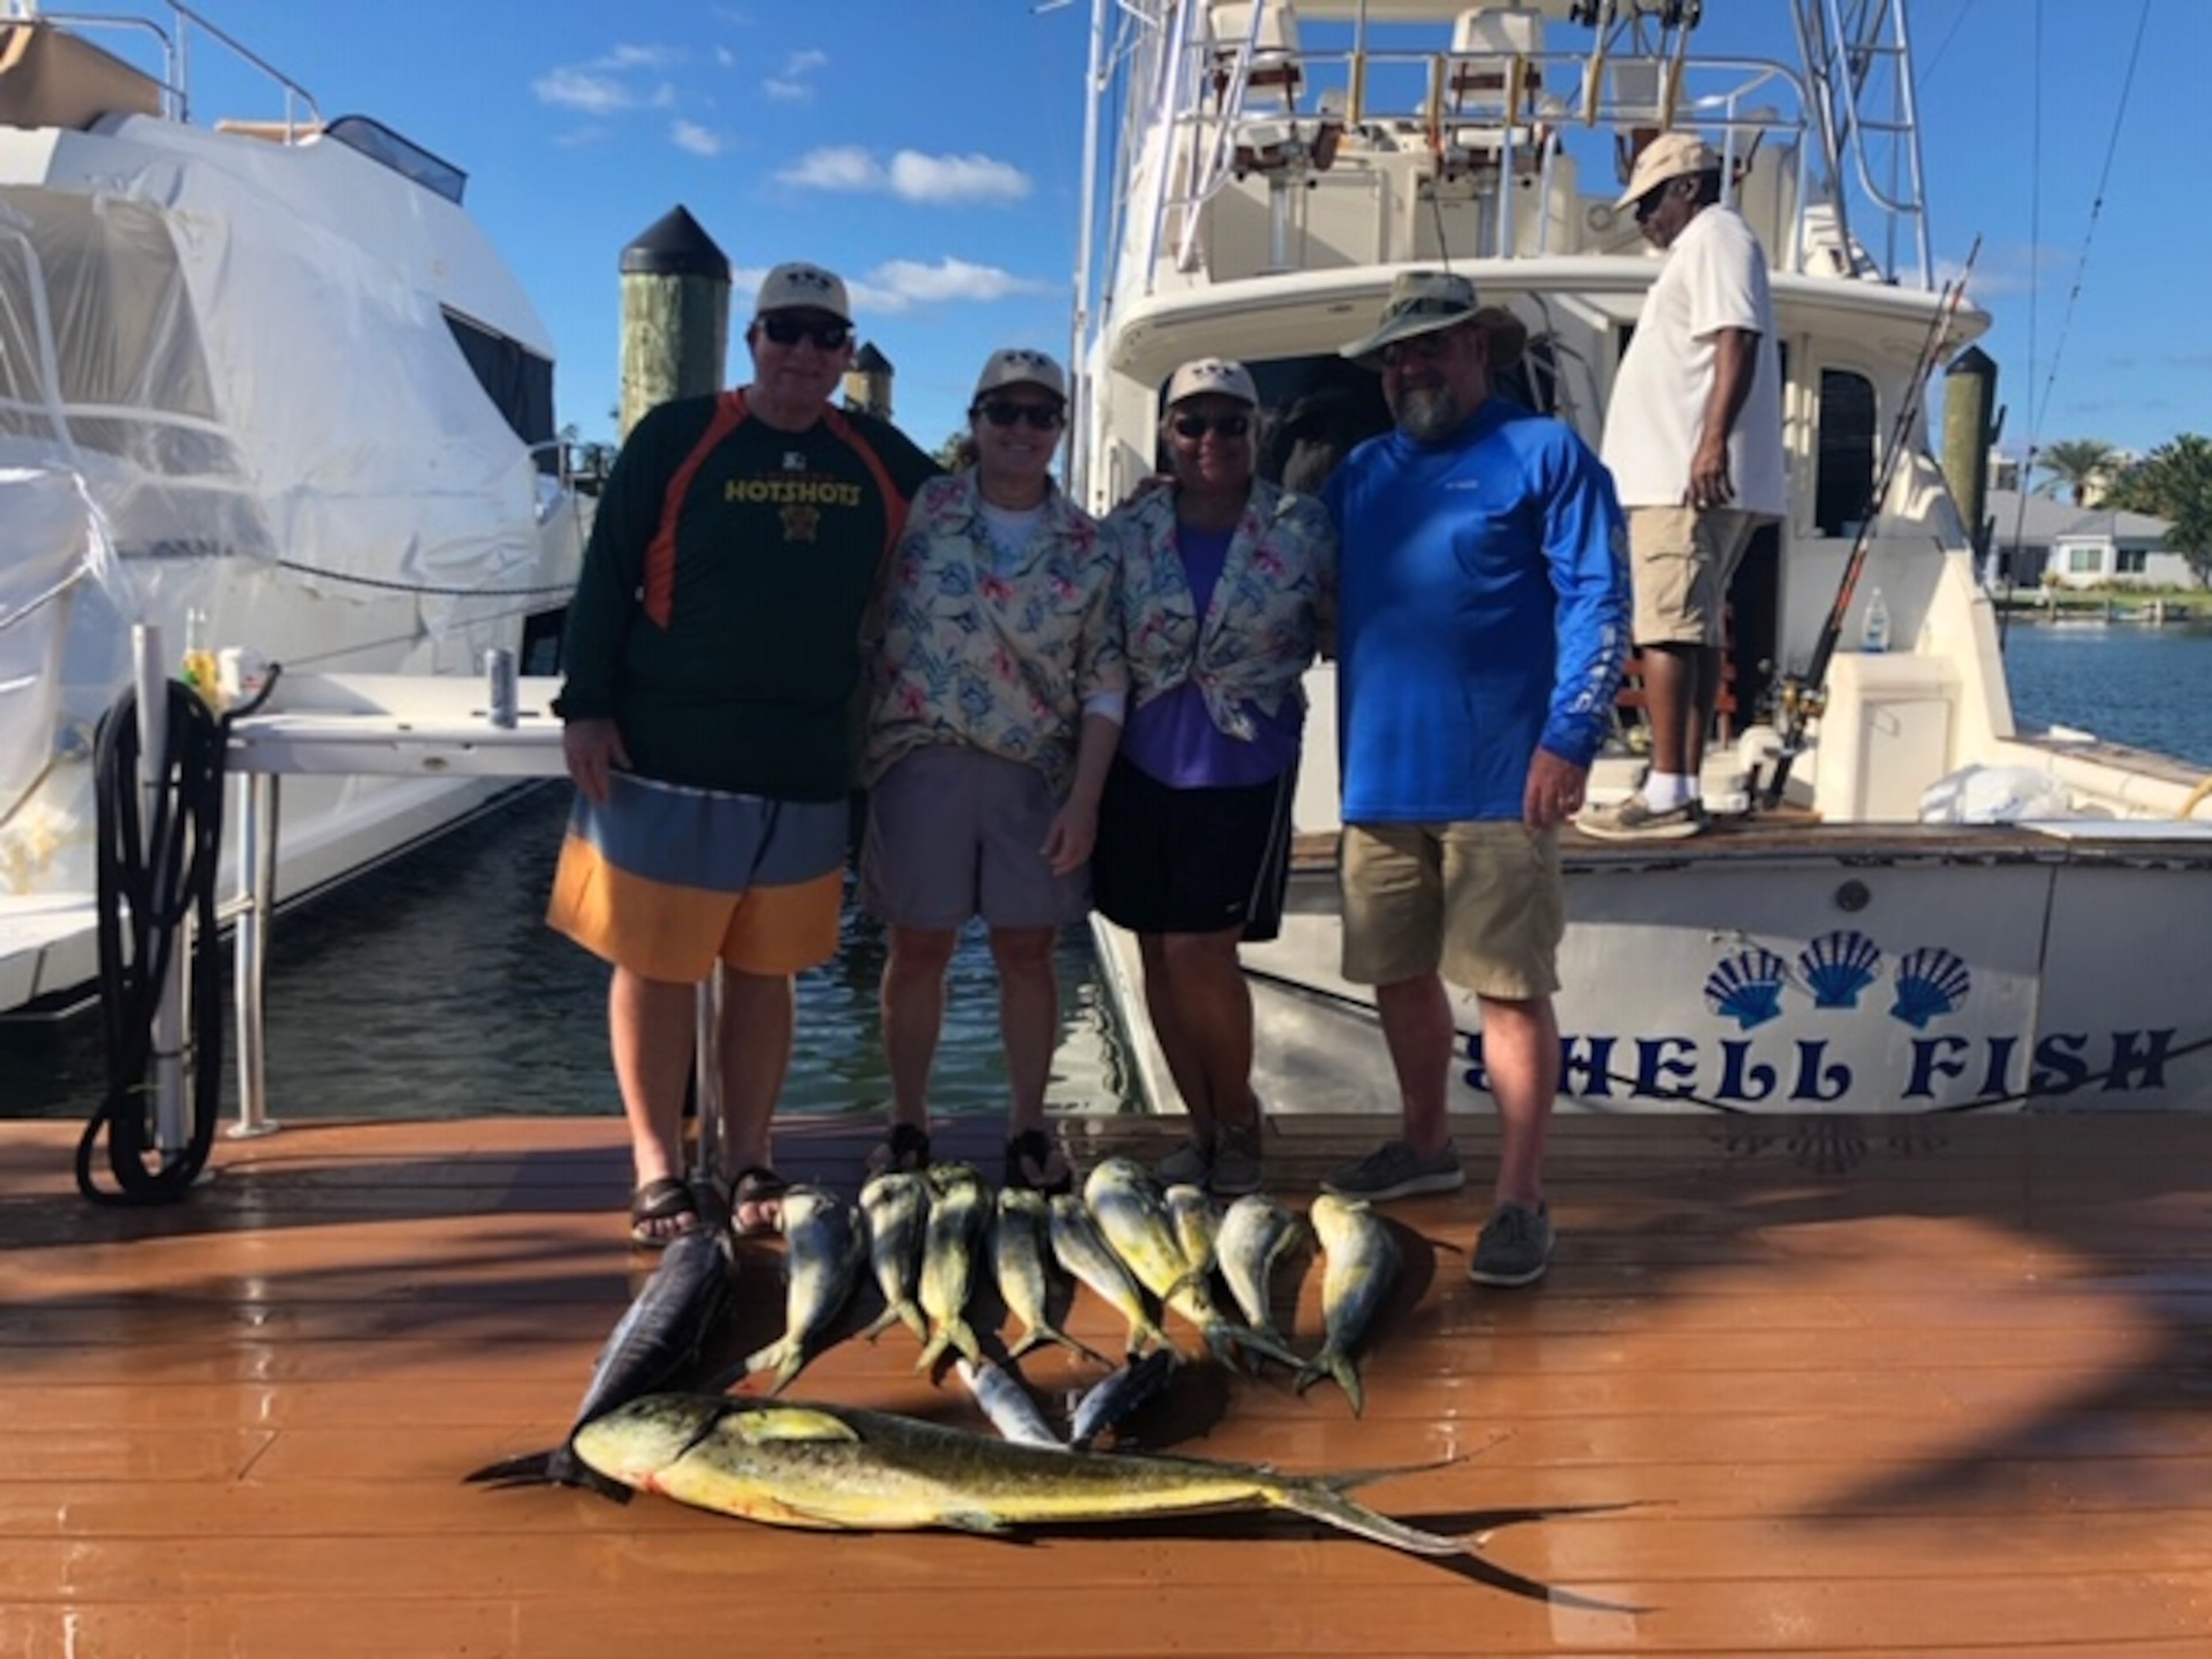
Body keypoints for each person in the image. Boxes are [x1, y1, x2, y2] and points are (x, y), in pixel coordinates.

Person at [548, 262, 939, 1246]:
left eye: (825, 337)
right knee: (655, 964)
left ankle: (752, 1153)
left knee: (770, 971)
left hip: (806, 759)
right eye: (786, 332)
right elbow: (606, 576)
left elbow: (988, 519)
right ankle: (656, 1166)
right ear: (751, 339)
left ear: (849, 357)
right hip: (667, 746)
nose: (805, 353)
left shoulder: (882, 460)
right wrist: (585, 706)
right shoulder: (678, 438)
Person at [1317, 270, 1630, 1288]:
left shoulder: (1544, 453)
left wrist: (1571, 736)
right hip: (1377, 784)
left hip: (1505, 781)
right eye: (1396, 355)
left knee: (1508, 992)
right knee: (1397, 978)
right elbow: (1280, 572)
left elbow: (1599, 597)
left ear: (1477, 352)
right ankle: (1425, 1145)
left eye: (1432, 347)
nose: (1411, 367)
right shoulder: (1360, 473)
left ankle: (1521, 1196)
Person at [861, 348, 1125, 1195]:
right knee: (918, 945)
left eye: (1039, 415)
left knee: (1027, 950)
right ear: (973, 424)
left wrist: (1085, 801)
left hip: (1033, 774)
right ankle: (908, 1120)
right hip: (921, 758)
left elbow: (1106, 681)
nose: (1020, 429)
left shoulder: (1090, 545)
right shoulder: (918, 509)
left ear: (1059, 430)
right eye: (1002, 413)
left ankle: (1027, 1127)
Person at [1093, 359, 1336, 1197]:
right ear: (1166, 434)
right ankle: (1195, 1130)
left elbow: (1346, 626)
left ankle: (1238, 1118)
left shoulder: (1304, 526)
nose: (1211, 441)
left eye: (1231, 423)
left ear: (1258, 432)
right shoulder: (1128, 530)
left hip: (1244, 767)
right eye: (1192, 424)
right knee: (1157, 953)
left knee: (1204, 951)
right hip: (1138, 762)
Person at [1580, 130, 1785, 840]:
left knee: (1667, 631)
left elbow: (1738, 337)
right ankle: (1679, 782)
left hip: (1682, 481)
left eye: (1650, 203)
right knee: (1692, 634)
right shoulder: (1709, 245)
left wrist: (1707, 445)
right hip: (1678, 479)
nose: (1643, 219)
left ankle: (1667, 792)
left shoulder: (1716, 237)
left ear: (1688, 188)